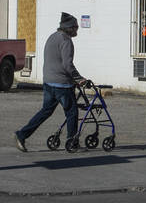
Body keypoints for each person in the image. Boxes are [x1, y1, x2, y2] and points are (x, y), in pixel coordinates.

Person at [15, 12, 90, 152]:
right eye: (75, 28)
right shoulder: (66, 41)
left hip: (49, 82)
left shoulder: (52, 37)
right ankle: (72, 142)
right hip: (62, 84)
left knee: (46, 111)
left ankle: (22, 134)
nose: (76, 30)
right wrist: (79, 79)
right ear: (69, 28)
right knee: (72, 112)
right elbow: (67, 64)